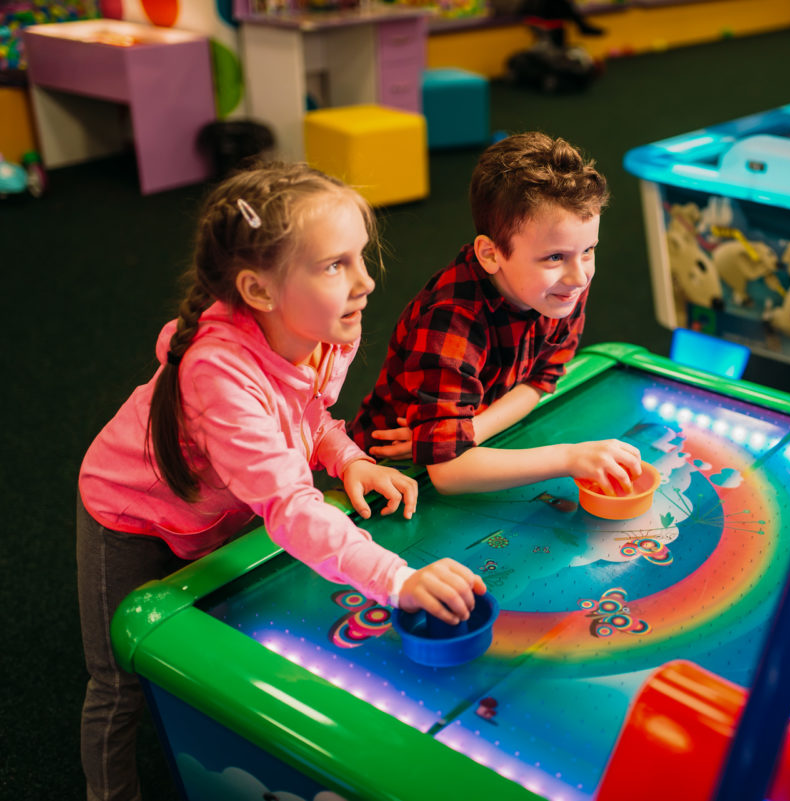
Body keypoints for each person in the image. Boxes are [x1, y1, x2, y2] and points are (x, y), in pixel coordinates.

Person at [77, 163, 485, 801]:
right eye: (335, 266)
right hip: (131, 516)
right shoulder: (217, 373)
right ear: (258, 291)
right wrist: (398, 580)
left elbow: (305, 414)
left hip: (221, 508)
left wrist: (349, 458)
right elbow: (289, 507)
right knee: (119, 680)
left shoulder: (320, 330)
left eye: (359, 258)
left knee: (215, 648)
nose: (366, 281)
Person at [349, 132, 642, 495]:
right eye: (554, 257)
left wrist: (464, 433)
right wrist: (569, 458)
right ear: (490, 254)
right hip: (387, 477)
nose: (579, 276)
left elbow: (542, 378)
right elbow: (448, 472)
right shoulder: (449, 321)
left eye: (589, 250)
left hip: (470, 444)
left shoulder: (561, 288)